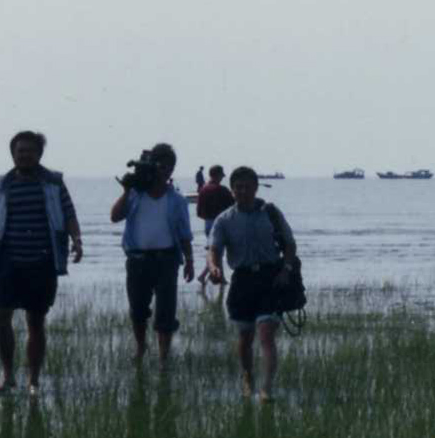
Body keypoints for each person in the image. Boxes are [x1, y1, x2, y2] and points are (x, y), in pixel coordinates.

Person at [0, 131, 84, 395]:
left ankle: (33, 380)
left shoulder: (54, 183)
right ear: (13, 154)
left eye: (30, 151)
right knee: (1, 316)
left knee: (35, 321)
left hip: (42, 262)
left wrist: (77, 240)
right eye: (20, 151)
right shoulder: (1, 185)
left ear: (39, 154)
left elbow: (69, 214)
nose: (24, 155)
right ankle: (7, 374)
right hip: (7, 262)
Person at [207, 166, 299, 402]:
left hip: (271, 278)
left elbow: (290, 244)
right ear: (232, 190)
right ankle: (247, 377)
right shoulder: (224, 220)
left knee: (266, 333)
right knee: (245, 336)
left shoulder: (271, 213)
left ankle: (267, 388)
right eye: (238, 187)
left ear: (256, 188)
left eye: (248, 187)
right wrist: (214, 267)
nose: (243, 191)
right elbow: (214, 249)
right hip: (242, 280)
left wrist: (286, 270)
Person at [109, 142, 195, 368]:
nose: (165, 171)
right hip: (137, 259)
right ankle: (140, 347)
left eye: (169, 167)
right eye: (161, 166)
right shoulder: (135, 194)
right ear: (151, 165)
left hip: (167, 260)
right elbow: (115, 216)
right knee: (138, 309)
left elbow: (184, 233)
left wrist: (189, 261)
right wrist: (126, 191)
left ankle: (163, 357)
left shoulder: (177, 200)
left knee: (166, 311)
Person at [194, 165, 235, 289]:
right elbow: (233, 206)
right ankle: (207, 276)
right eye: (221, 175)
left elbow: (199, 212)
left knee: (215, 252)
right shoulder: (222, 190)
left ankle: (217, 277)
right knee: (217, 252)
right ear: (217, 175)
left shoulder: (203, 190)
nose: (222, 178)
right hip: (219, 223)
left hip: (207, 223)